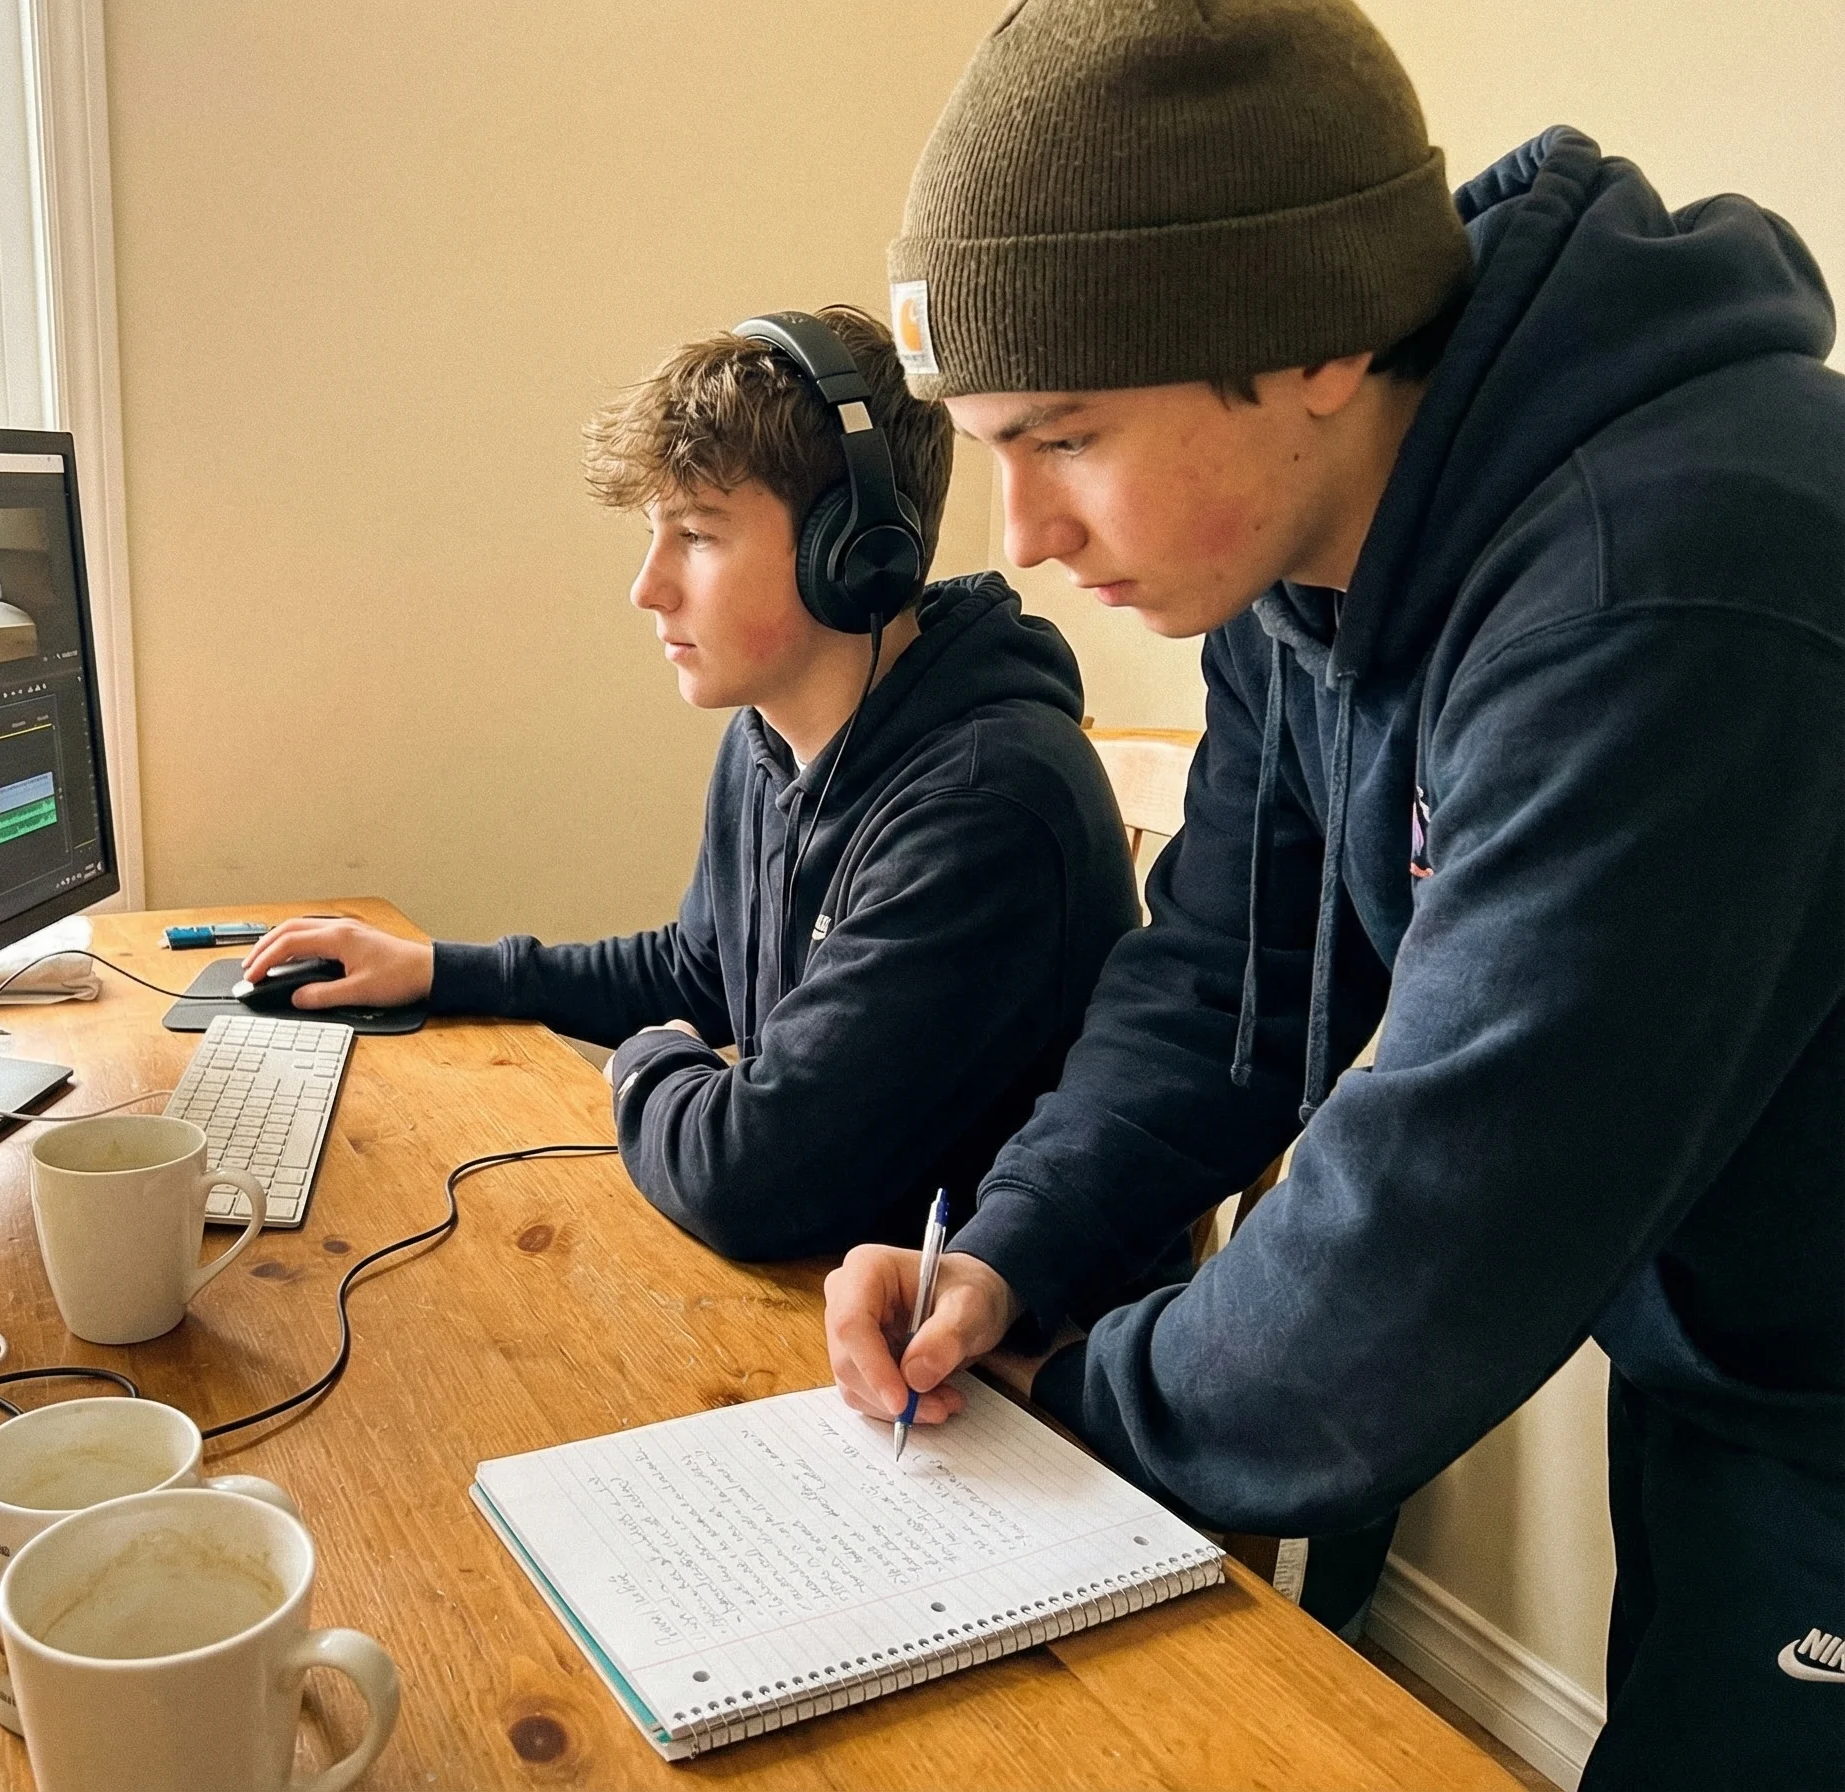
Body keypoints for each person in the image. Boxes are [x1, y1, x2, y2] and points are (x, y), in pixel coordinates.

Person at [820, 4, 1843, 1785]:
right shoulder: (1302, 568)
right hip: (1739, 1334)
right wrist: (1014, 1249)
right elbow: (1225, 963)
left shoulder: (1659, 592)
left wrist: (1070, 1418)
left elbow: (1442, 1215)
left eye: (1059, 436)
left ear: (1307, 343)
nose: (1018, 537)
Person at [245, 305, 1140, 1262]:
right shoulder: (773, 737)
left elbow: (749, 1178)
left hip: (1004, 1363)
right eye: (653, 532)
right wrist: (439, 970)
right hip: (834, 1301)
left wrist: (645, 1063)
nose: (648, 585)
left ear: (856, 554)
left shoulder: (978, 808)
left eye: (698, 535)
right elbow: (697, 970)